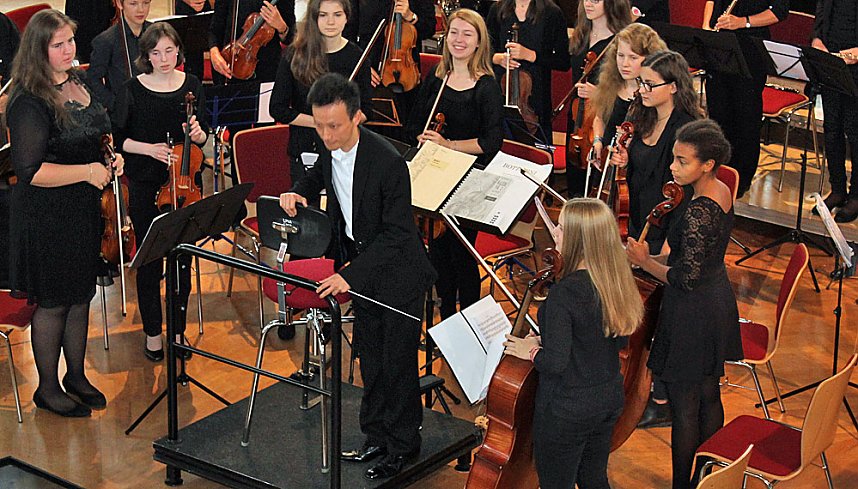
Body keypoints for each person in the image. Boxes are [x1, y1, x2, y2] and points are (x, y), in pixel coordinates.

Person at [279, 73, 436, 480]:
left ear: (357, 118)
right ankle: (376, 436)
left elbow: (398, 234)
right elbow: (319, 174)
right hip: (363, 269)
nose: (326, 135)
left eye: (334, 126)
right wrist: (297, 190)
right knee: (369, 356)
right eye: (319, 125)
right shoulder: (329, 146)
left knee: (397, 363)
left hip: (399, 274)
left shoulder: (387, 163)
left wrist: (350, 276)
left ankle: (403, 446)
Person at [6, 9, 124, 417]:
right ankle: (48, 387)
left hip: (83, 209)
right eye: (59, 44)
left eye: (71, 41)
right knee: (55, 302)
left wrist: (111, 157)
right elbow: (30, 170)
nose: (69, 49)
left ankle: (76, 375)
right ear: (38, 50)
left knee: (80, 296)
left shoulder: (79, 79)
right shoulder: (28, 101)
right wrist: (89, 172)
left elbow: (96, 131)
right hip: (47, 216)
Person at [626, 119, 743, 489]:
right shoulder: (721, 189)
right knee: (709, 393)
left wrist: (645, 263)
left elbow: (683, 277)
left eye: (682, 161)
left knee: (685, 407)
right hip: (716, 299)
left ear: (707, 164)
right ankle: (708, 475)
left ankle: (683, 485)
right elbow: (697, 262)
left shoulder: (696, 210)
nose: (673, 167)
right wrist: (653, 261)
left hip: (692, 312)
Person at [504, 198, 644, 489]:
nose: (555, 232)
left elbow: (554, 363)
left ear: (579, 240)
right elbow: (609, 336)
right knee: (593, 478)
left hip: (568, 408)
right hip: (607, 397)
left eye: (562, 228)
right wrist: (550, 338)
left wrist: (529, 350)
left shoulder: (563, 295)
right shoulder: (614, 281)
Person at [113, 22, 207, 361]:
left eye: (170, 50)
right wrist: (149, 149)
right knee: (150, 261)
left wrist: (197, 135)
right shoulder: (132, 89)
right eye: (156, 52)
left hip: (184, 188)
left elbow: (204, 137)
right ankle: (153, 332)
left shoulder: (193, 86)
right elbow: (118, 138)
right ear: (146, 56)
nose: (164, 58)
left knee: (183, 261)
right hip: (145, 183)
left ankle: (178, 330)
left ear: (178, 50)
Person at [405, 9, 503, 321]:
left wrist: (447, 145)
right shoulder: (437, 79)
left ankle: (470, 319)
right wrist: (422, 137)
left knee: (462, 256)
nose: (458, 40)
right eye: (454, 33)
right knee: (438, 255)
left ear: (478, 43)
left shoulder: (486, 85)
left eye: (466, 34)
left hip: (470, 181)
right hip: (436, 178)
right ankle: (446, 315)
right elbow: (412, 127)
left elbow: (490, 143)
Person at [270, 0, 373, 185]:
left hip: (346, 151)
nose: (331, 22)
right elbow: (277, 108)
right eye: (323, 15)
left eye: (337, 15)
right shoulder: (295, 54)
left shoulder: (358, 56)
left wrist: (342, 126)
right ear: (314, 17)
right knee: (309, 211)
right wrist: (321, 124)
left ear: (347, 18)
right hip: (305, 148)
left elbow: (366, 110)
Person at [610, 50, 703, 253]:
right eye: (641, 82)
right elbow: (641, 167)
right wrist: (626, 160)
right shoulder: (642, 115)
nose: (642, 90)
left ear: (673, 87)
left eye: (650, 85)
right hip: (631, 218)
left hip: (661, 227)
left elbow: (685, 193)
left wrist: (665, 248)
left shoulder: (686, 130)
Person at [703, 0, 788, 197]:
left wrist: (743, 22)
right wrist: (707, 27)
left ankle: (740, 177)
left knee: (745, 117)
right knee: (718, 113)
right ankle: (719, 168)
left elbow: (779, 11)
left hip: (750, 48)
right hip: (719, 47)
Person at [565, 0, 631, 196]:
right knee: (574, 177)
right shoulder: (581, 36)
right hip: (578, 115)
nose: (588, 4)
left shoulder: (620, 42)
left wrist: (599, 93)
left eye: (596, 0)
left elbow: (626, 85)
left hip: (603, 117)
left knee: (596, 181)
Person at [588, 22, 665, 175]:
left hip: (638, 170)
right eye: (621, 56)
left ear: (650, 59)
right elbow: (600, 118)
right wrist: (597, 142)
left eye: (633, 57)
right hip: (607, 163)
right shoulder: (611, 84)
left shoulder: (655, 95)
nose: (624, 64)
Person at [487, 0, 570, 140]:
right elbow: (484, 50)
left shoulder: (552, 12)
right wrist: (497, 58)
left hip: (536, 99)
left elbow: (563, 62)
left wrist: (531, 55)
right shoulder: (497, 10)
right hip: (500, 91)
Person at [811, 0, 858, 222]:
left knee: (855, 133)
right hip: (832, 61)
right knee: (832, 129)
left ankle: (857, 195)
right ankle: (837, 189)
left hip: (856, 65)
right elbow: (821, 13)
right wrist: (817, 40)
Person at [86, 0, 152, 113]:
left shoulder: (155, 33)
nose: (141, 9)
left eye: (145, 3)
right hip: (124, 114)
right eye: (133, 4)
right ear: (120, 4)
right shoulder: (106, 40)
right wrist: (115, 104)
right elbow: (92, 79)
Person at [208, 0, 295, 82]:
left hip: (267, 70)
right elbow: (215, 29)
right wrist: (214, 52)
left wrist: (281, 27)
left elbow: (291, 38)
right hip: (230, 64)